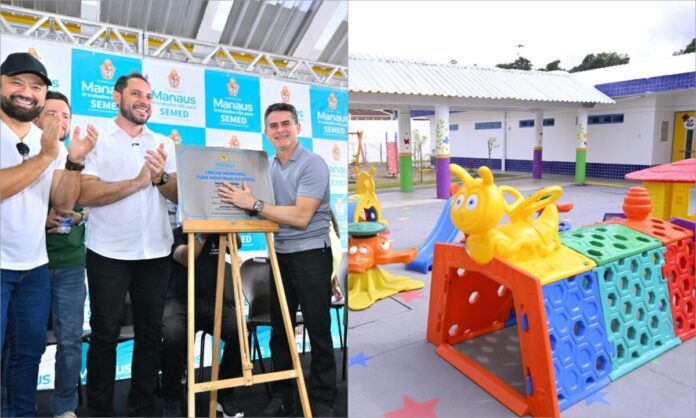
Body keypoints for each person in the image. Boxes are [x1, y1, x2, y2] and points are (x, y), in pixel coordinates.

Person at [218, 102, 336, 417]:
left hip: (311, 255)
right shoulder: (267, 167)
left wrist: (253, 203)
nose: (280, 130)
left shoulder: (313, 164)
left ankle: (323, 400)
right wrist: (231, 201)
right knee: (280, 331)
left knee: (318, 329)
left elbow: (300, 216)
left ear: (297, 127)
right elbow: (260, 210)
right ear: (266, 132)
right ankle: (283, 396)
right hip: (280, 255)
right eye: (273, 125)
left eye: (286, 123)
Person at [0, 52, 97, 417]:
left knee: (28, 353)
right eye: (17, 83)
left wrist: (73, 161)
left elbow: (62, 203)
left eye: (36, 86)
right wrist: (45, 155)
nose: (27, 92)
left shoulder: (51, 145)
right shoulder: (45, 147)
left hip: (34, 266)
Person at [77, 72, 178, 417]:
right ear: (116, 97)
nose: (144, 101)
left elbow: (178, 195)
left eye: (149, 96)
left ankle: (143, 408)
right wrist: (136, 183)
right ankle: (100, 411)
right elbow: (85, 193)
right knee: (105, 334)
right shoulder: (97, 138)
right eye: (136, 94)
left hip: (155, 253)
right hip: (108, 253)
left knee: (150, 333)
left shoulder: (163, 143)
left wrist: (161, 177)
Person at [34, 91, 90, 418]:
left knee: (70, 341)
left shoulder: (78, 158)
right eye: (52, 114)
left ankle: (65, 407)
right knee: (23, 341)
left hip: (70, 264)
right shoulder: (24, 154)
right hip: (31, 263)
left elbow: (86, 207)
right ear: (37, 117)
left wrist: (77, 216)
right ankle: (17, 403)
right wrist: (43, 219)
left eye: (66, 115)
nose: (60, 121)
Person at [160, 227, 244, 418]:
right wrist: (202, 234)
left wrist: (228, 225)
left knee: (238, 331)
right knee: (172, 335)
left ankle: (224, 393)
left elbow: (236, 244)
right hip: (179, 302)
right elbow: (185, 257)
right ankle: (172, 397)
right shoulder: (178, 233)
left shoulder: (219, 233)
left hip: (212, 302)